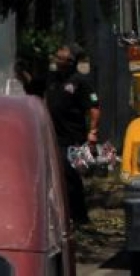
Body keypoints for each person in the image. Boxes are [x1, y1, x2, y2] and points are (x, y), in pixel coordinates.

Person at [44, 45, 100, 226]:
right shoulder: (52, 79)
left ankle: (80, 217)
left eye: (62, 60)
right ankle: (61, 216)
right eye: (57, 59)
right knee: (55, 176)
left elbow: (94, 108)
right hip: (53, 135)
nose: (58, 63)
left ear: (71, 62)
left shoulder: (80, 82)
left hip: (72, 137)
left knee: (70, 176)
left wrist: (93, 132)